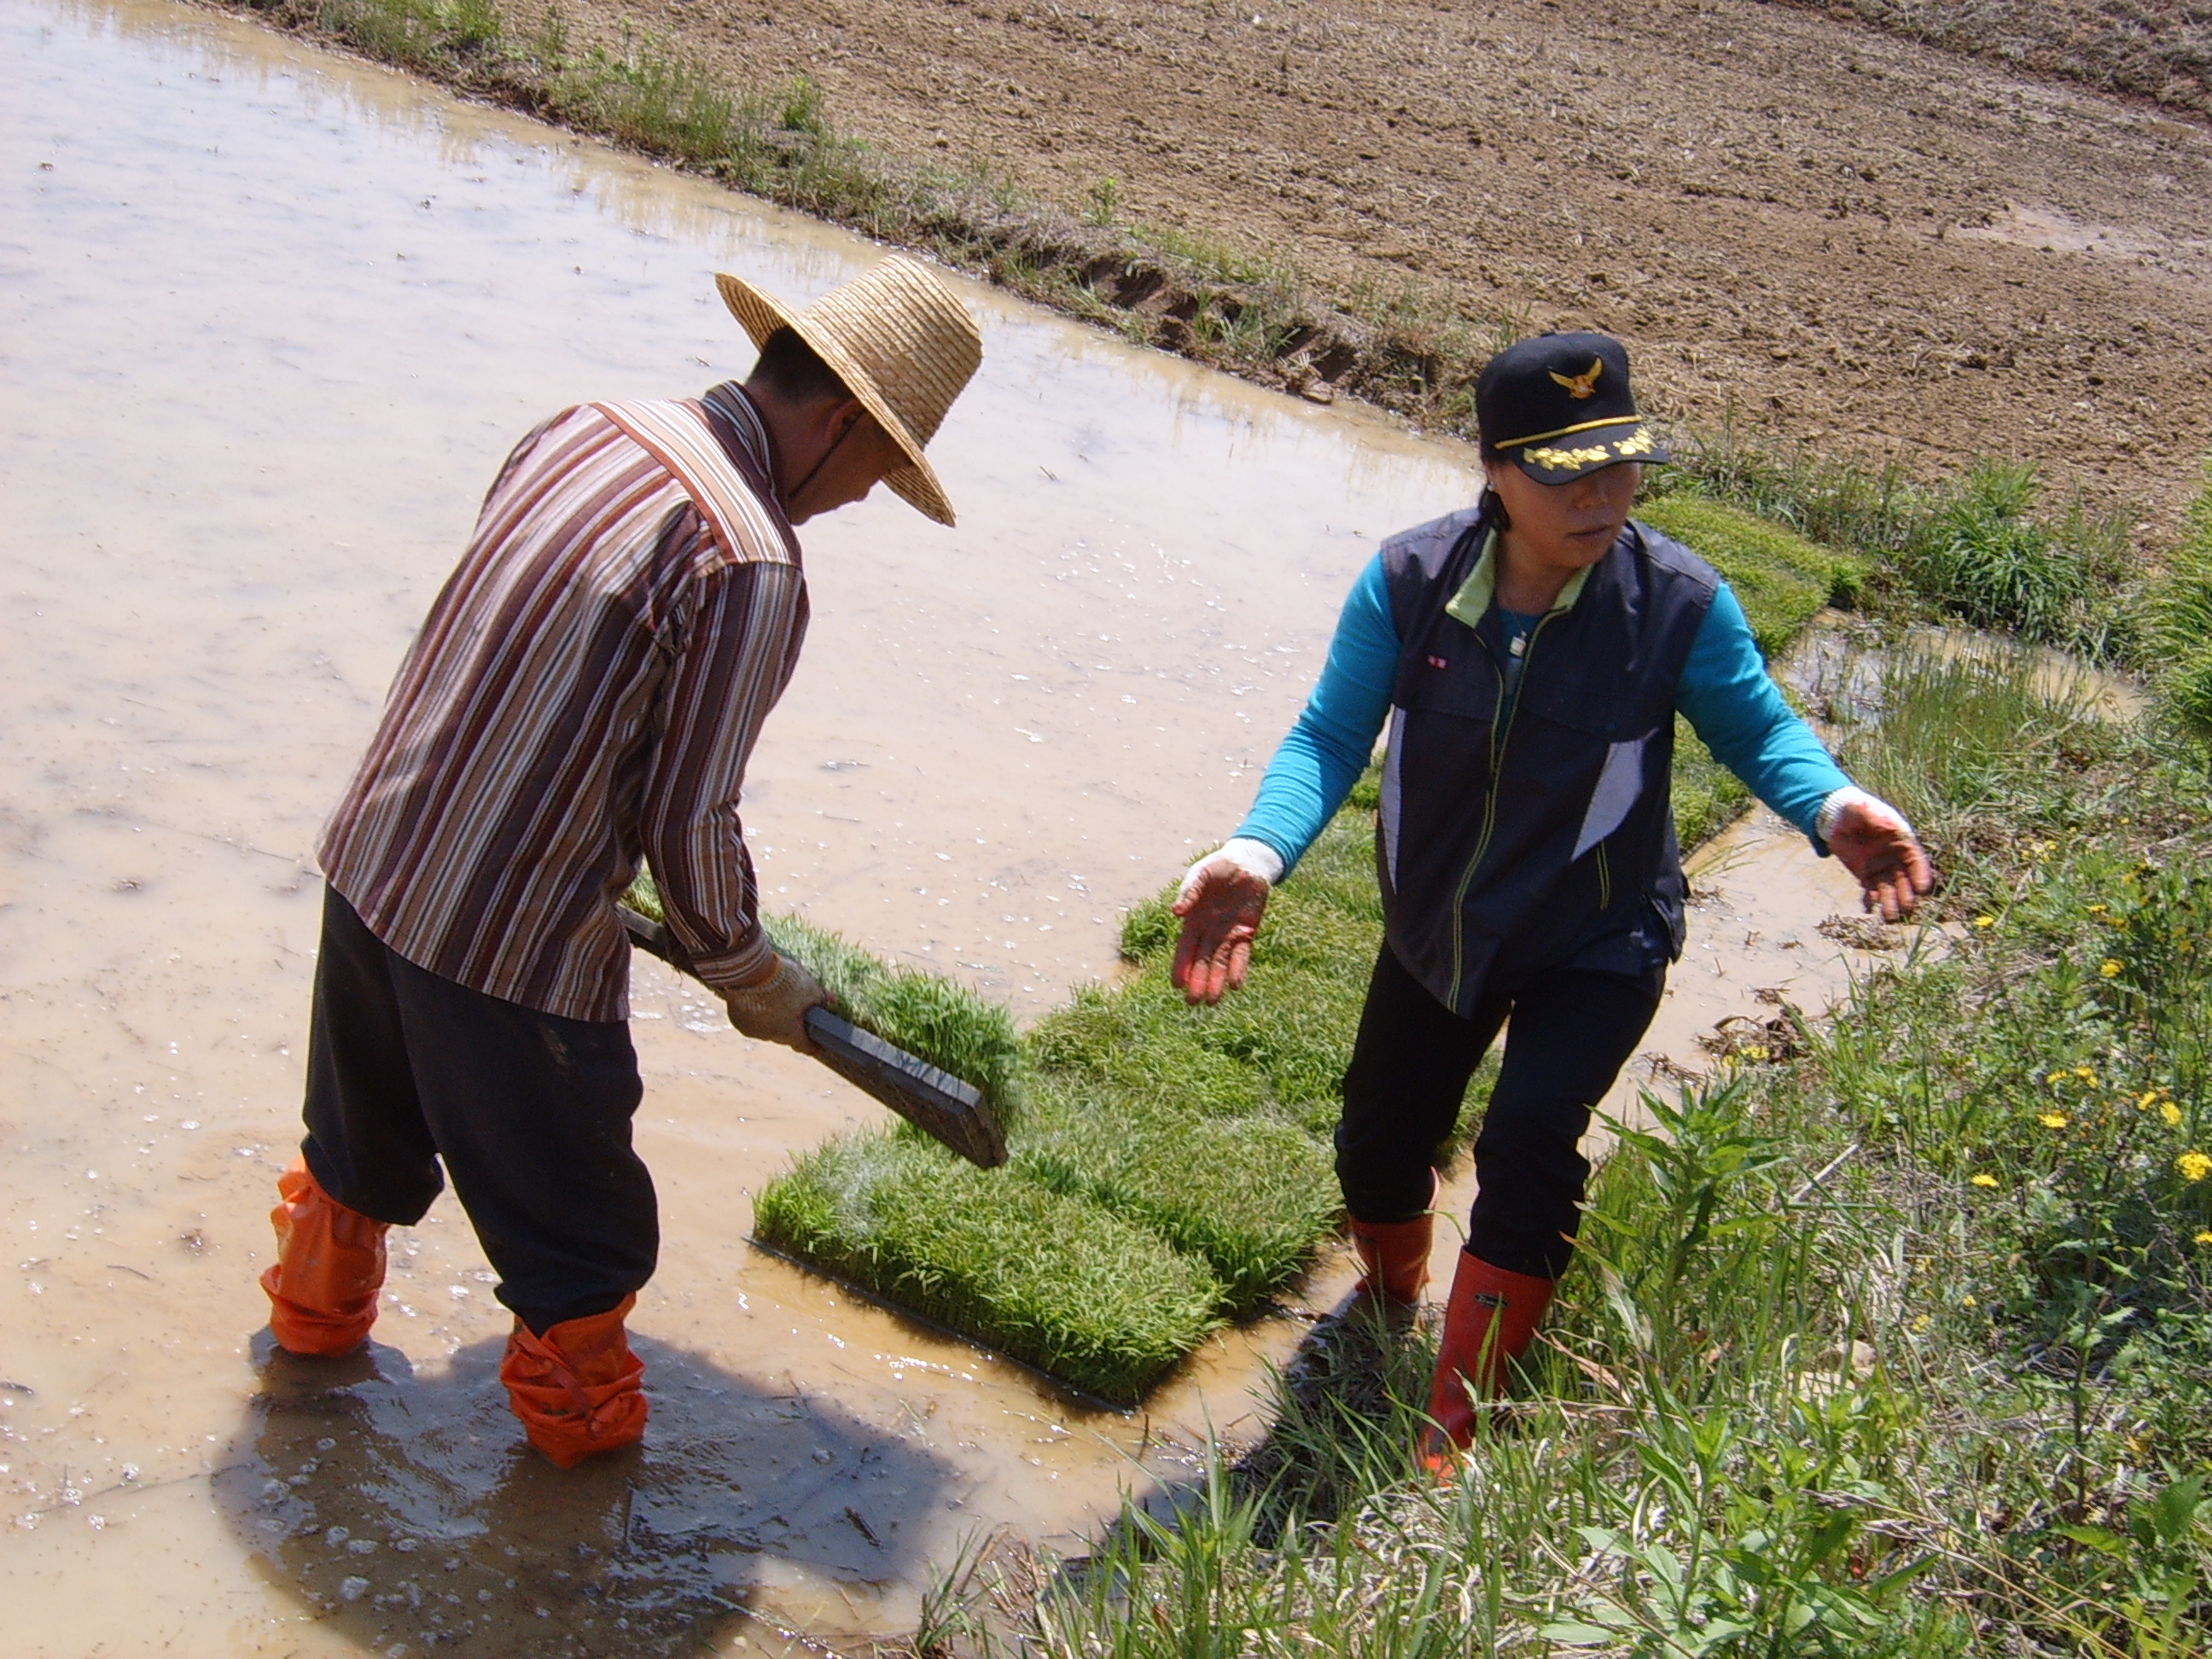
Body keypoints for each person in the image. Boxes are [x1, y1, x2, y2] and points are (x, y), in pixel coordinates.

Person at [256, 256, 983, 1468]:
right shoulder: (748, 558)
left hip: (376, 857)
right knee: (582, 1247)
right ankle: (583, 1508)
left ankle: (306, 1358)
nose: (863, 499)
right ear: (840, 423)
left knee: (357, 1145)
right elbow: (690, 817)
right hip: (505, 944)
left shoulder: (590, 427)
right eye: (878, 470)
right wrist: (750, 972)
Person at [1170, 331, 1931, 1472]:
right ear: (1494, 470)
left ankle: (1457, 1414)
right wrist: (1259, 849)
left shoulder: (1677, 603)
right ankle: (1392, 1290)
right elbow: (1330, 734)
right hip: (1443, 926)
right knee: (1377, 1144)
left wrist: (1830, 806)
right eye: (1567, 473)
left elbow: (1758, 726)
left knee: (1530, 1140)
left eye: (1620, 467)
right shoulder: (1409, 583)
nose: (1601, 498)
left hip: (1598, 931)